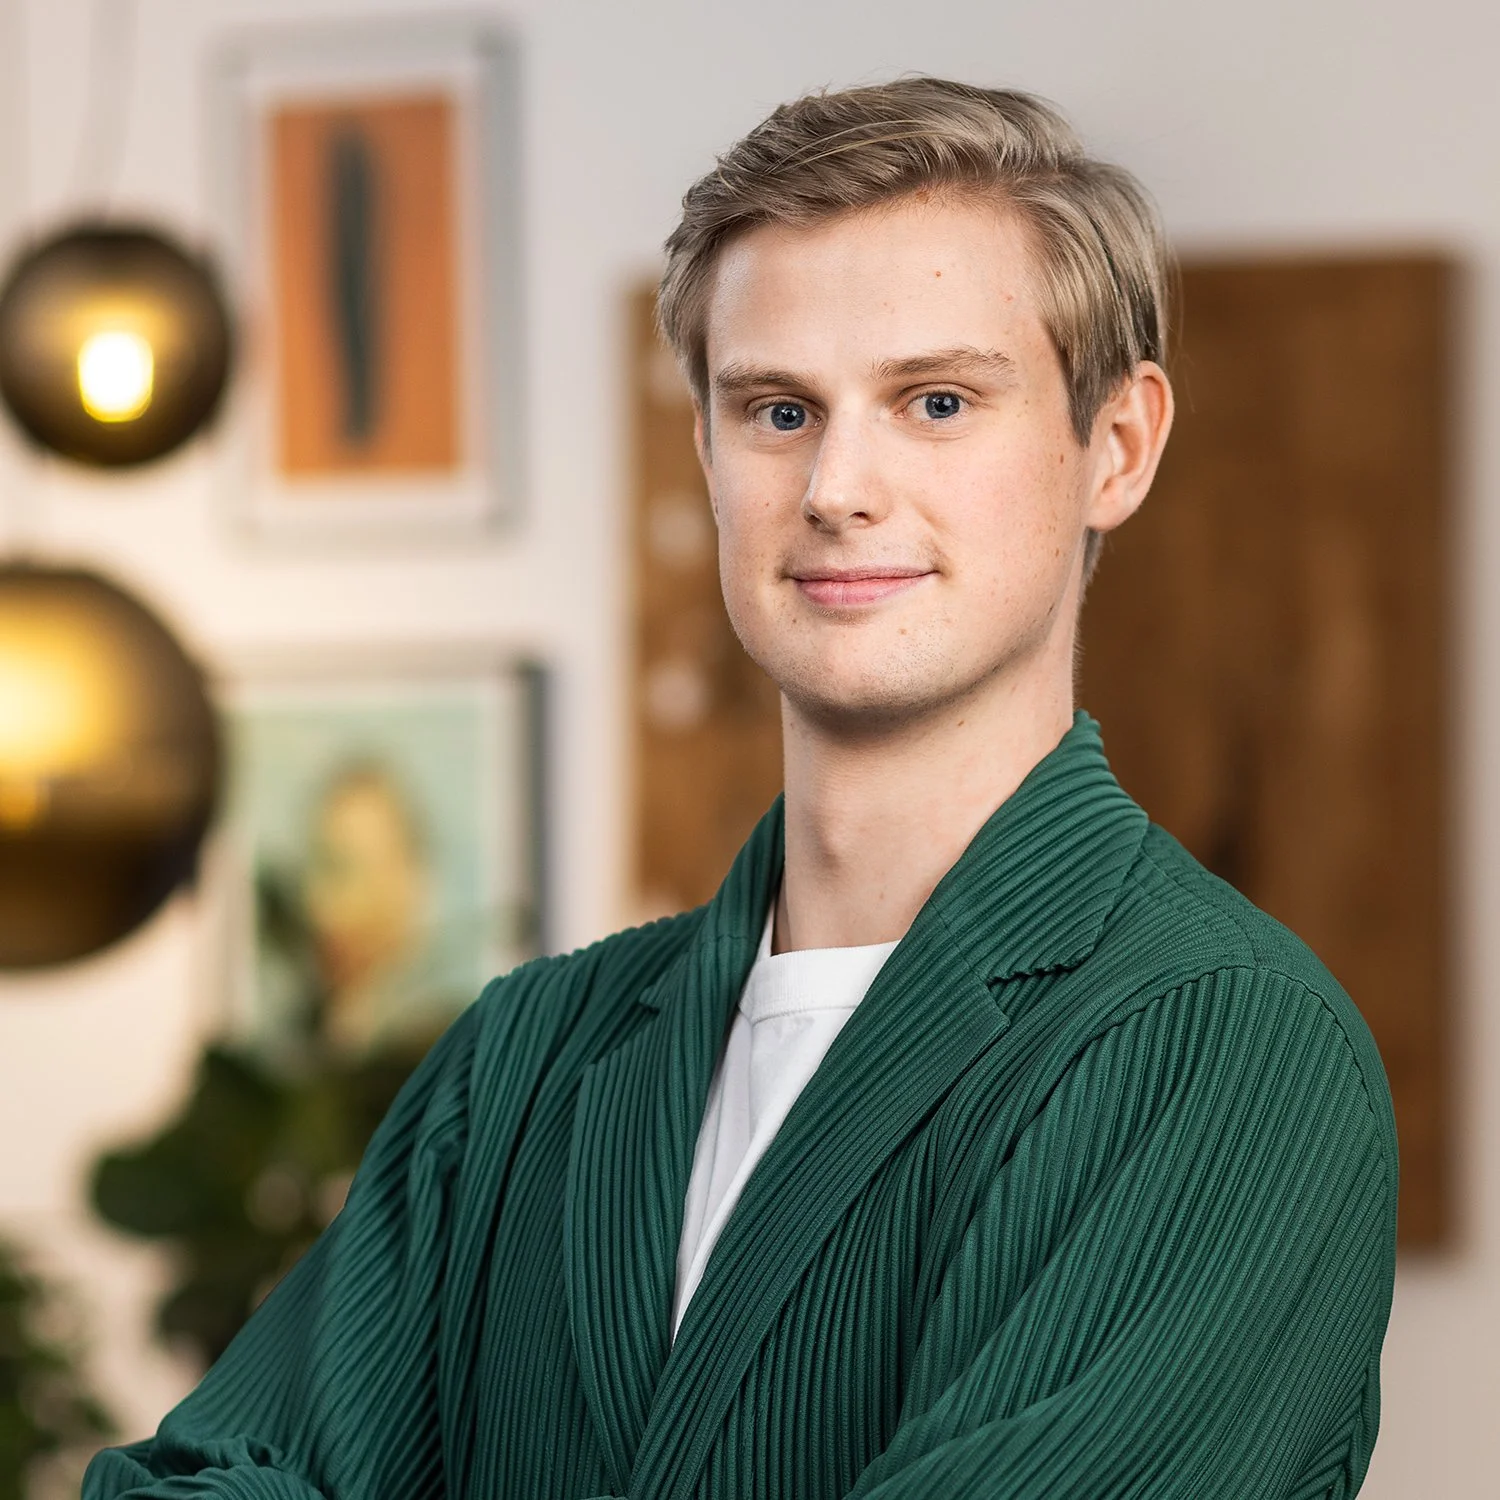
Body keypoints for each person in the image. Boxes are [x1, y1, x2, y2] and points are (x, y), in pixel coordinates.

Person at [85, 78, 1397, 1499]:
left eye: (936, 401)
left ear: (1118, 447)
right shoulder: (524, 1061)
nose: (838, 483)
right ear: (706, 448)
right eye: (777, 409)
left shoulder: (1224, 1044)